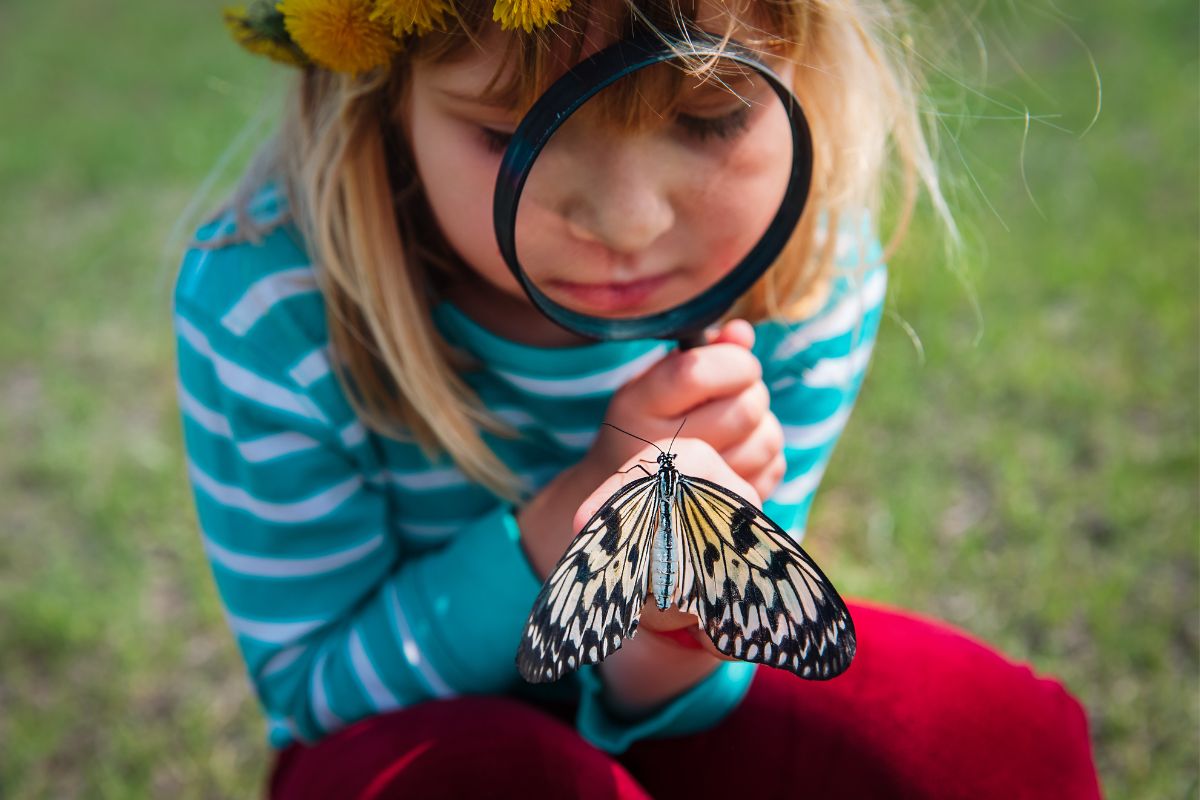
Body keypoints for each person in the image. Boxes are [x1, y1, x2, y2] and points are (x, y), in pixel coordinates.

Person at [174, 0, 1103, 796]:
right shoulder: (268, 309)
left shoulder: (808, 276)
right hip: (408, 747)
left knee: (1000, 745)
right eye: (508, 135)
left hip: (669, 705)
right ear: (379, 102)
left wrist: (674, 623)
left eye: (710, 117)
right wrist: (554, 533)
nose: (626, 222)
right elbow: (314, 693)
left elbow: (696, 691)